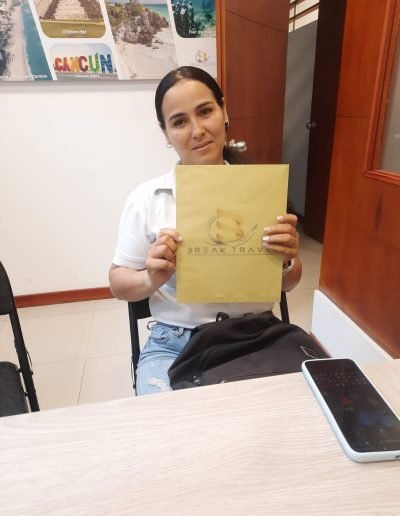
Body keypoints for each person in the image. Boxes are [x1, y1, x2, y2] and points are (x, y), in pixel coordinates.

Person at [109, 66, 302, 395]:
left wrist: (286, 261)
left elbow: (290, 282)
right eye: (179, 121)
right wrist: (150, 278)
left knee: (298, 415)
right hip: (175, 343)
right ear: (165, 132)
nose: (197, 131)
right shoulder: (147, 199)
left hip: (256, 336)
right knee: (172, 425)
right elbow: (117, 283)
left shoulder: (262, 191)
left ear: (223, 111)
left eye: (205, 111)